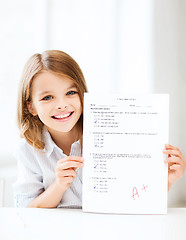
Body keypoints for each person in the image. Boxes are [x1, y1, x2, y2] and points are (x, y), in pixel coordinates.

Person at [14, 50, 186, 208]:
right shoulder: (28, 150)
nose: (62, 105)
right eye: (48, 97)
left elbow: (135, 197)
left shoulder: (111, 134)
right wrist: (58, 186)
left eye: (71, 93)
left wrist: (167, 180)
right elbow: (26, 209)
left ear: (82, 93)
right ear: (31, 107)